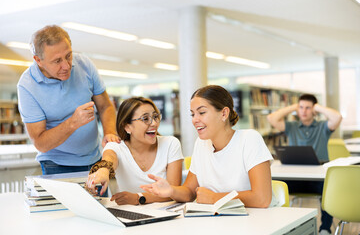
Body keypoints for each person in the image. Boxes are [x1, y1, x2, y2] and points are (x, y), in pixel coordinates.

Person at [141, 85, 275, 208]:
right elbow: (189, 192)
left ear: (224, 113)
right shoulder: (201, 144)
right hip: (220, 220)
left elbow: (262, 198)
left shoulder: (249, 139)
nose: (195, 119)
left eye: (202, 112)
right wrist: (170, 190)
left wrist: (214, 198)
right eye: (193, 114)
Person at [17, 25, 119, 175]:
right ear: (38, 60)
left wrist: (110, 132)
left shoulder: (84, 64)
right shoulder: (27, 86)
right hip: (56, 164)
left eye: (68, 56)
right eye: (57, 61)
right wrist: (73, 122)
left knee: (98, 200)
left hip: (95, 158)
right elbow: (40, 143)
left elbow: (105, 106)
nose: (66, 65)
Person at [267, 93, 342, 235]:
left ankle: (325, 228)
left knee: (328, 190)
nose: (303, 111)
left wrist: (318, 107)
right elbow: (272, 118)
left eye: (308, 108)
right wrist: (293, 107)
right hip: (295, 177)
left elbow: (337, 117)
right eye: (301, 107)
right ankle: (283, 226)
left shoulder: (323, 126)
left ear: (314, 110)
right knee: (274, 186)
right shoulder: (291, 126)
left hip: (318, 178)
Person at [86, 97, 183, 205]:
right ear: (127, 127)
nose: (154, 123)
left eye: (155, 117)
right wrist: (103, 171)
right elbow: (109, 158)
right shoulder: (116, 147)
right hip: (130, 215)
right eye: (145, 119)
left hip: (167, 215)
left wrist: (138, 198)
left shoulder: (170, 144)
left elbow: (172, 192)